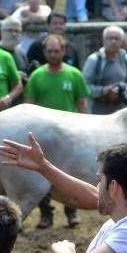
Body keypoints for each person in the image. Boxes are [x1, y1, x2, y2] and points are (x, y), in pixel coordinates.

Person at [25, 35, 90, 231]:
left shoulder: (74, 75)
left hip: (70, 136)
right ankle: (46, 215)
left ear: (63, 51)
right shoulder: (36, 76)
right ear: (45, 53)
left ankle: (72, 213)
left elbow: (82, 104)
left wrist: (86, 126)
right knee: (40, 173)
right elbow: (29, 105)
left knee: (70, 173)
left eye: (57, 51)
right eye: (50, 51)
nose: (53, 55)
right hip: (43, 136)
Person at [81, 25, 127, 115]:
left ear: (122, 42)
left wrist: (125, 89)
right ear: (104, 41)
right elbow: (84, 87)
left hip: (120, 109)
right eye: (110, 38)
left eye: (117, 39)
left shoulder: (125, 58)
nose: (113, 42)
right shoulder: (94, 59)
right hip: (98, 109)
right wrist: (105, 91)